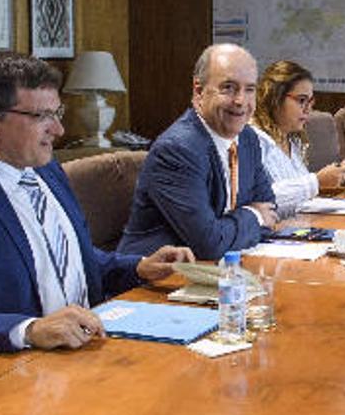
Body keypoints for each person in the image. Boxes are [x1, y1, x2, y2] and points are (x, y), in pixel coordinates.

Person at [0, 52, 193, 372]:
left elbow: (65, 262)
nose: (59, 129)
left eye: (57, 112)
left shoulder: (46, 171)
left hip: (93, 352)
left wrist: (140, 267)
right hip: (18, 374)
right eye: (42, 116)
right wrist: (29, 330)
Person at [118, 43, 278, 260]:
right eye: (228, 88)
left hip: (225, 270)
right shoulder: (178, 150)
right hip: (160, 280)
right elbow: (209, 244)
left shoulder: (247, 138)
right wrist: (253, 215)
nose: (241, 101)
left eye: (249, 89)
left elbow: (270, 209)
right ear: (199, 91)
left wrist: (243, 224)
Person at [250, 59, 345, 217]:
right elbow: (261, 200)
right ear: (275, 98)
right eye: (301, 100)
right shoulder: (253, 139)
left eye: (310, 102)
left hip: (298, 228)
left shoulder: (291, 140)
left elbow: (299, 200)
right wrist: (316, 182)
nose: (308, 109)